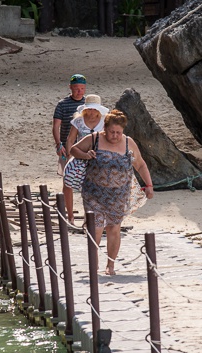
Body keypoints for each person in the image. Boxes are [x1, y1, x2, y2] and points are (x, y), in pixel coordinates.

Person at [70, 109, 154, 275]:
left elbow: (141, 165)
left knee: (114, 229)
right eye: (111, 132)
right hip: (94, 194)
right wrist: (86, 155)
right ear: (105, 129)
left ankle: (110, 265)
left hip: (119, 195)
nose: (115, 136)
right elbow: (73, 149)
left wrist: (149, 185)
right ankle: (94, 266)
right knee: (96, 228)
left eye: (118, 132)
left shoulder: (129, 143)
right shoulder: (94, 139)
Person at [63, 94, 109, 224]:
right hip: (80, 154)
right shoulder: (78, 121)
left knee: (96, 187)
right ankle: (70, 215)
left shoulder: (105, 121)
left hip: (98, 157)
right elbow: (71, 139)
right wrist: (69, 155)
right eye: (89, 109)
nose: (92, 112)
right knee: (67, 179)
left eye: (94, 109)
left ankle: (91, 218)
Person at [53, 74, 86, 220]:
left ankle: (88, 215)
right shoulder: (62, 104)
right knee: (67, 181)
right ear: (70, 88)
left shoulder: (88, 105)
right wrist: (59, 144)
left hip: (85, 147)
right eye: (76, 88)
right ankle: (70, 214)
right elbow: (56, 126)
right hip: (66, 146)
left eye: (82, 88)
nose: (79, 91)